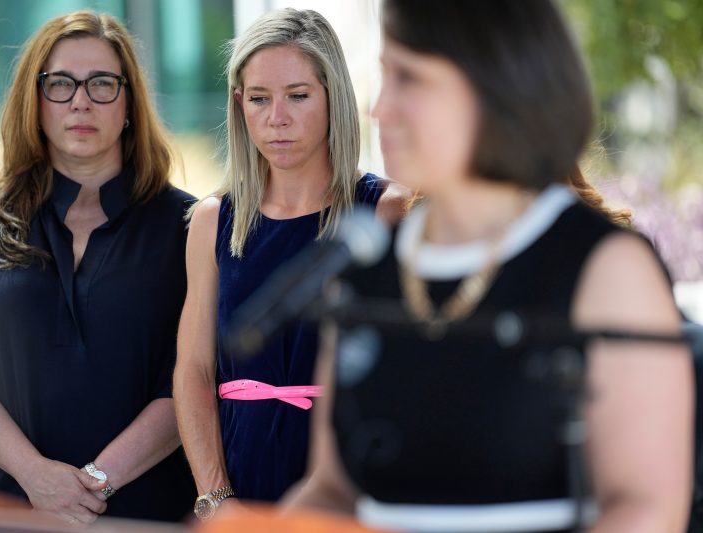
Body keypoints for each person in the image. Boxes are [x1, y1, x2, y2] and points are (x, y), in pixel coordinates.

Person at [285, 1, 693, 532]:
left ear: (495, 84)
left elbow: (646, 508)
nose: (380, 109)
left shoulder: (608, 268)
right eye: (386, 77)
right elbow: (332, 490)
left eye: (410, 78)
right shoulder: (365, 269)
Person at [0, 10, 196, 524]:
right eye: (60, 84)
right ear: (35, 101)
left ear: (129, 103)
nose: (80, 101)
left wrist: (95, 482)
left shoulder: (187, 228)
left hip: (140, 513)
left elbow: (192, 376)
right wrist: (36, 477)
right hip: (2, 510)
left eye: (102, 83)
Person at [174, 7, 409, 517]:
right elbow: (193, 370)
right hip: (241, 483)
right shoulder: (213, 221)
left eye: (298, 96)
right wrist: (216, 498)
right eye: (259, 98)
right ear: (239, 102)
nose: (276, 118)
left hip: (352, 487)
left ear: (333, 97)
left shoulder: (385, 211)